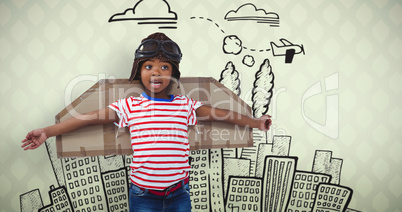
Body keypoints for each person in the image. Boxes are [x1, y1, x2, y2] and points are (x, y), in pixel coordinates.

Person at [21, 32, 272, 212]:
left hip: (179, 194)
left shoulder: (184, 105)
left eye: (164, 67)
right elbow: (88, 119)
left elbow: (222, 114)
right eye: (149, 66)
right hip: (143, 197)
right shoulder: (130, 106)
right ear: (138, 71)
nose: (156, 72)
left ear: (173, 73)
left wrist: (256, 122)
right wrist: (47, 131)